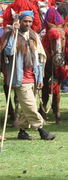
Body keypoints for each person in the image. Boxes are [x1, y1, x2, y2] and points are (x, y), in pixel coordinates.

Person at [0, 11, 56, 140]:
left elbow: (39, 57)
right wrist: (14, 33)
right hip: (20, 78)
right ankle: (42, 131)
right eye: (25, 21)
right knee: (30, 106)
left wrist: (40, 78)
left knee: (29, 106)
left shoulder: (33, 36)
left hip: (34, 77)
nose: (28, 24)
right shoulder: (11, 34)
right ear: (19, 21)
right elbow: (8, 51)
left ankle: (22, 132)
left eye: (30, 21)